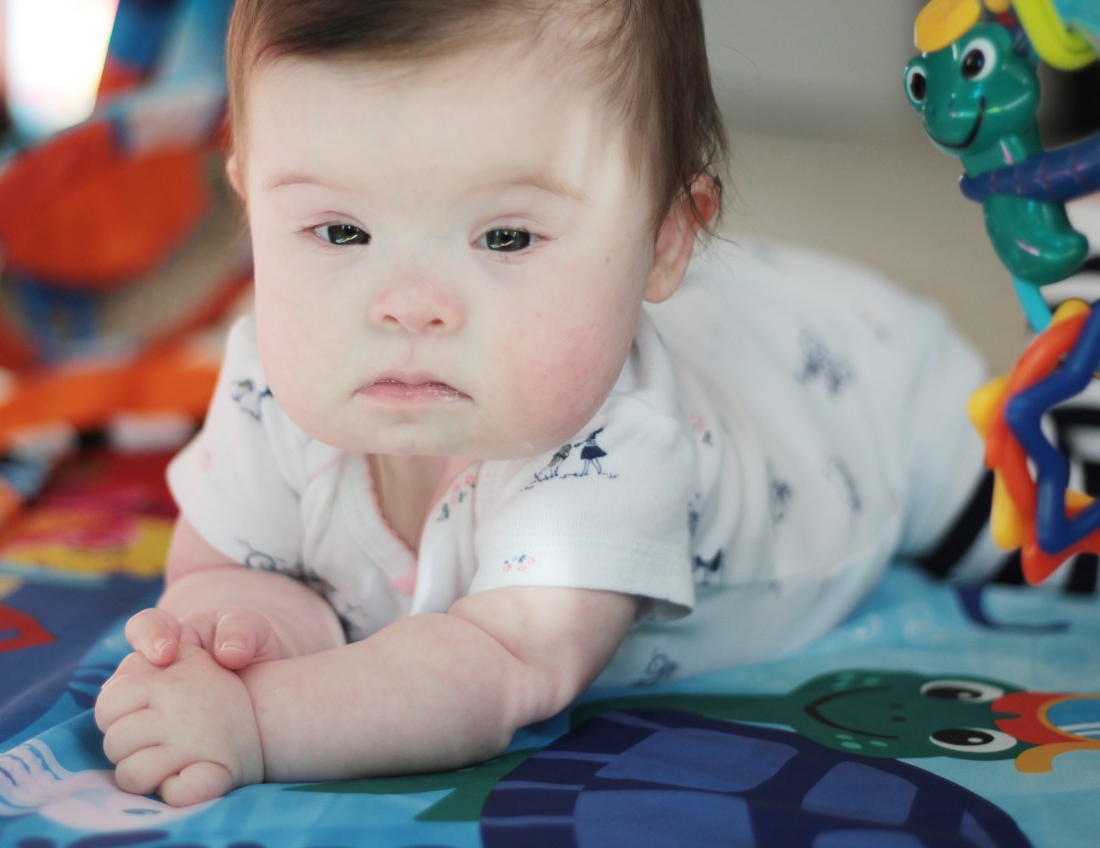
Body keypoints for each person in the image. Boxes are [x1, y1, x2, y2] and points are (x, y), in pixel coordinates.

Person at [94, 0, 998, 807]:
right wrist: (237, 643)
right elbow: (234, 566)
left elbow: (494, 665)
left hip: (877, 394)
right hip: (720, 316)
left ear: (664, 241)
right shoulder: (270, 373)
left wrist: (260, 720)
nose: (408, 305)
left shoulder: (616, 442)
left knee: (1029, 523)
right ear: (249, 200)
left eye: (505, 237)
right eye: (340, 230)